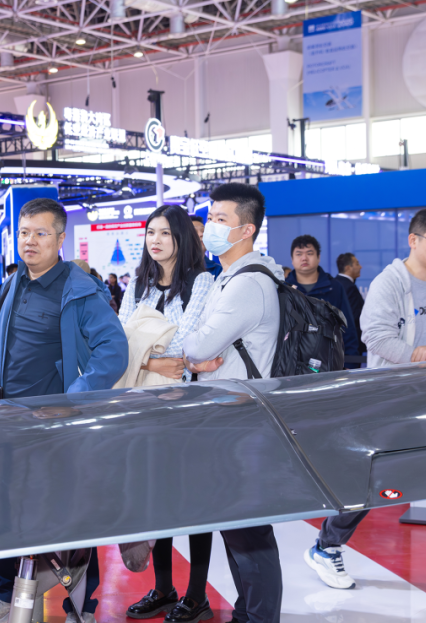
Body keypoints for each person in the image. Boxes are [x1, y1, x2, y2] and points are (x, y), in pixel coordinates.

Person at [304, 208, 426, 602]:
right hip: (393, 400)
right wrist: (420, 362)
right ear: (414, 240)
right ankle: (326, 547)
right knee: (374, 478)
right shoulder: (390, 283)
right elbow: (376, 336)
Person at [0, 198, 129, 623]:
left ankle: (82, 604)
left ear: (60, 240)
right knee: (8, 511)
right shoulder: (14, 283)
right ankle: (6, 596)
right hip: (10, 422)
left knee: (71, 515)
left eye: (41, 233)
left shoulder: (78, 290)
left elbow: (113, 349)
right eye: (24, 232)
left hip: (58, 428)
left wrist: (72, 399)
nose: (30, 241)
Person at [183, 183, 283, 623]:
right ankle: (248, 613)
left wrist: (195, 354)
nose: (211, 227)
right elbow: (195, 345)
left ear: (246, 230)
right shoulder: (230, 277)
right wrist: (196, 354)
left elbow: (197, 344)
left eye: (221, 219)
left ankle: (259, 617)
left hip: (243, 422)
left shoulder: (248, 284)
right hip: (228, 417)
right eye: (210, 218)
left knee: (249, 532)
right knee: (237, 529)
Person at [116, 205, 216, 623]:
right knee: (154, 496)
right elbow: (118, 341)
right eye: (150, 232)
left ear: (181, 238)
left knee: (193, 501)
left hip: (185, 410)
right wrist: (152, 360)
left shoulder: (201, 282)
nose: (155, 240)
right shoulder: (138, 282)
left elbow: (187, 344)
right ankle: (163, 588)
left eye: (165, 233)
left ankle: (196, 595)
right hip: (143, 406)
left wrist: (144, 351)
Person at [286, 235, 360, 365]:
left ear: (318, 257)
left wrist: (350, 364)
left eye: (309, 253)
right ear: (292, 259)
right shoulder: (283, 289)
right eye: (299, 254)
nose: (304, 258)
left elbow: (348, 328)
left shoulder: (335, 288)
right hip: (290, 365)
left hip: (328, 364)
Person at [335, 252, 365, 352]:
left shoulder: (334, 284)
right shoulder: (350, 287)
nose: (360, 267)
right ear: (348, 268)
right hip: (351, 343)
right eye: (357, 264)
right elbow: (355, 316)